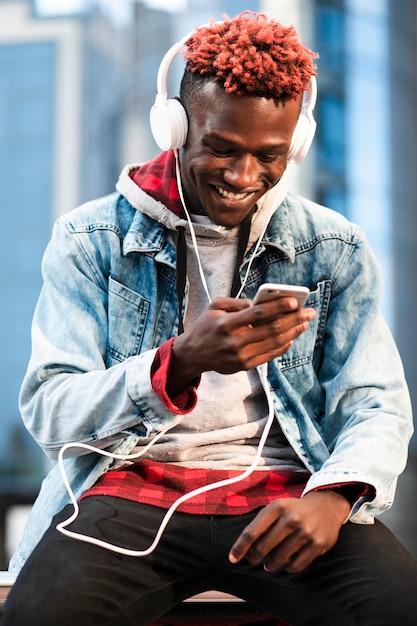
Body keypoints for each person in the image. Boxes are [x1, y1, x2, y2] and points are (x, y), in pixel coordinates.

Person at [2, 11, 417, 626]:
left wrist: (335, 495)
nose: (243, 176)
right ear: (175, 127)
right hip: (130, 489)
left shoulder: (333, 247)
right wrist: (182, 361)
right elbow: (51, 412)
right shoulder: (90, 239)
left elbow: (376, 402)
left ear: (297, 143)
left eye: (268, 156)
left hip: (285, 497)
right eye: (221, 148)